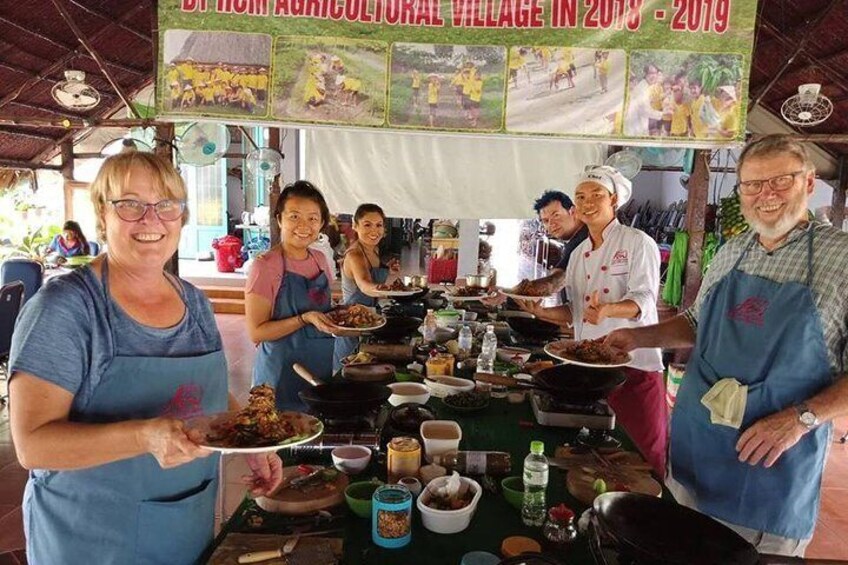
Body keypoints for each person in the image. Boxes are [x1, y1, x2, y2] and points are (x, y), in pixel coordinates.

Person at [8, 152, 282, 564]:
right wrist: (143, 437)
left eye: (166, 205)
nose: (151, 220)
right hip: (94, 540)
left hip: (184, 525)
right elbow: (33, 445)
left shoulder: (194, 302)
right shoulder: (65, 309)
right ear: (103, 214)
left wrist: (250, 441)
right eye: (130, 204)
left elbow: (206, 394)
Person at [604, 135, 848, 556]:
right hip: (697, 451)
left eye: (780, 181)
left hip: (770, 469)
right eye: (752, 185)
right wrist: (636, 337)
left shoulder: (841, 258)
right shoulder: (732, 250)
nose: (764, 195)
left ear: (809, 183)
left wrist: (802, 418)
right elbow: (697, 325)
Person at [517, 166, 667, 476]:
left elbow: (644, 300)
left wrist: (608, 310)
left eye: (596, 195)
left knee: (642, 455)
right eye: (581, 196)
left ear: (613, 199)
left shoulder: (638, 242)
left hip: (633, 367)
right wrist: (541, 312)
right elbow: (574, 312)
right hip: (587, 367)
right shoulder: (579, 253)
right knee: (598, 455)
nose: (587, 202)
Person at [246, 180, 339, 410]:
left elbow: (325, 310)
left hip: (318, 366)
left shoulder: (320, 260)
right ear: (279, 219)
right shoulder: (265, 267)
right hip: (279, 372)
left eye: (313, 218)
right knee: (282, 437)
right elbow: (257, 331)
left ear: (322, 224)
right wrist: (304, 319)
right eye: (294, 216)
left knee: (315, 432)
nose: (304, 225)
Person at [332, 204, 400, 370]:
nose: (374, 231)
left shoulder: (374, 250)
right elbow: (364, 285)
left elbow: (373, 277)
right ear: (355, 226)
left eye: (379, 225)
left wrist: (388, 270)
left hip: (370, 320)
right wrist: (392, 291)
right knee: (347, 372)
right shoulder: (355, 254)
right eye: (367, 225)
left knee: (366, 371)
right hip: (352, 324)